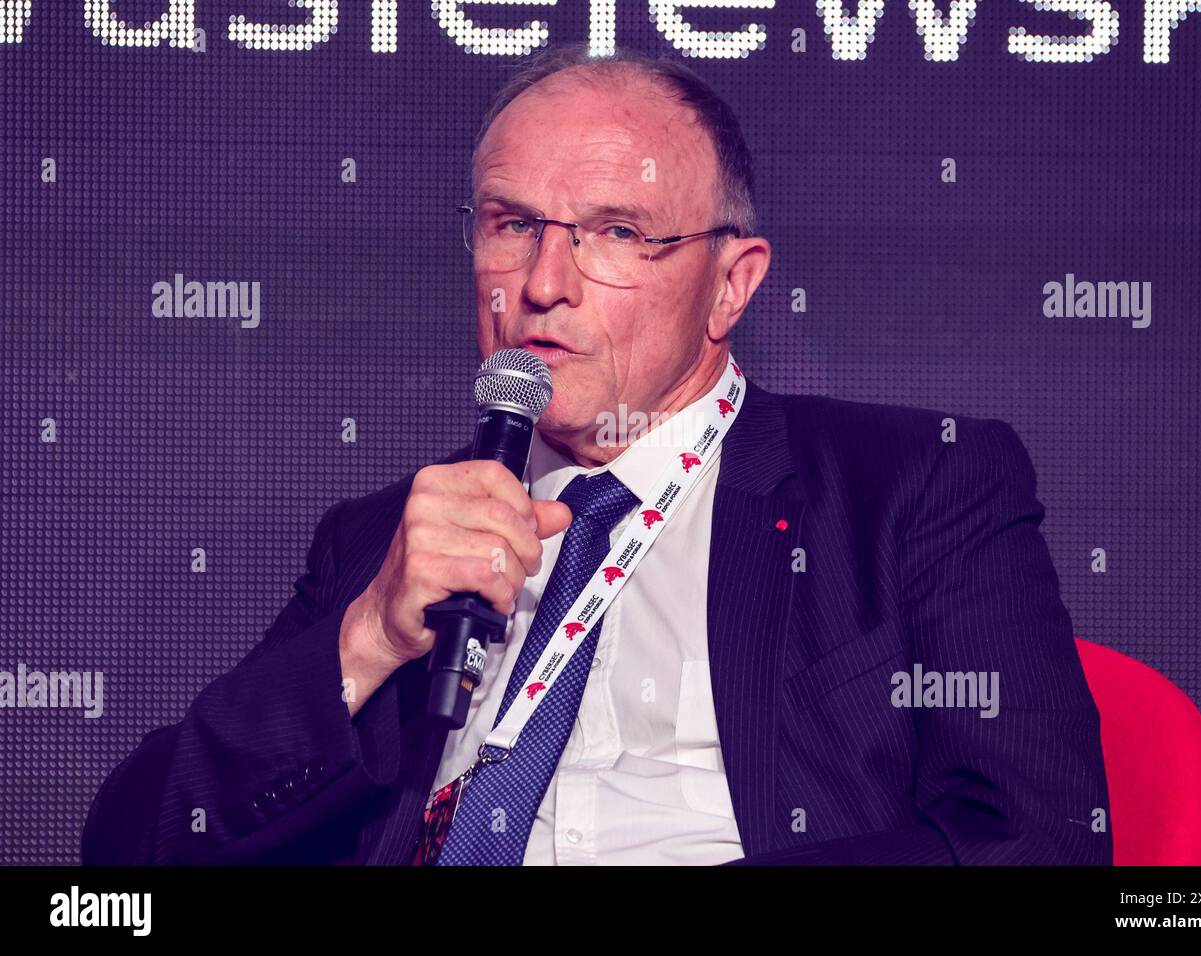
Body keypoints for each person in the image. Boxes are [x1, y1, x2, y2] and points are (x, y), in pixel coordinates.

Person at [82, 43, 1111, 866]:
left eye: (616, 232)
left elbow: (1036, 838)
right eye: (512, 223)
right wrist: (365, 638)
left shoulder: (912, 485)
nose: (542, 283)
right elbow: (132, 848)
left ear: (730, 285)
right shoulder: (390, 534)